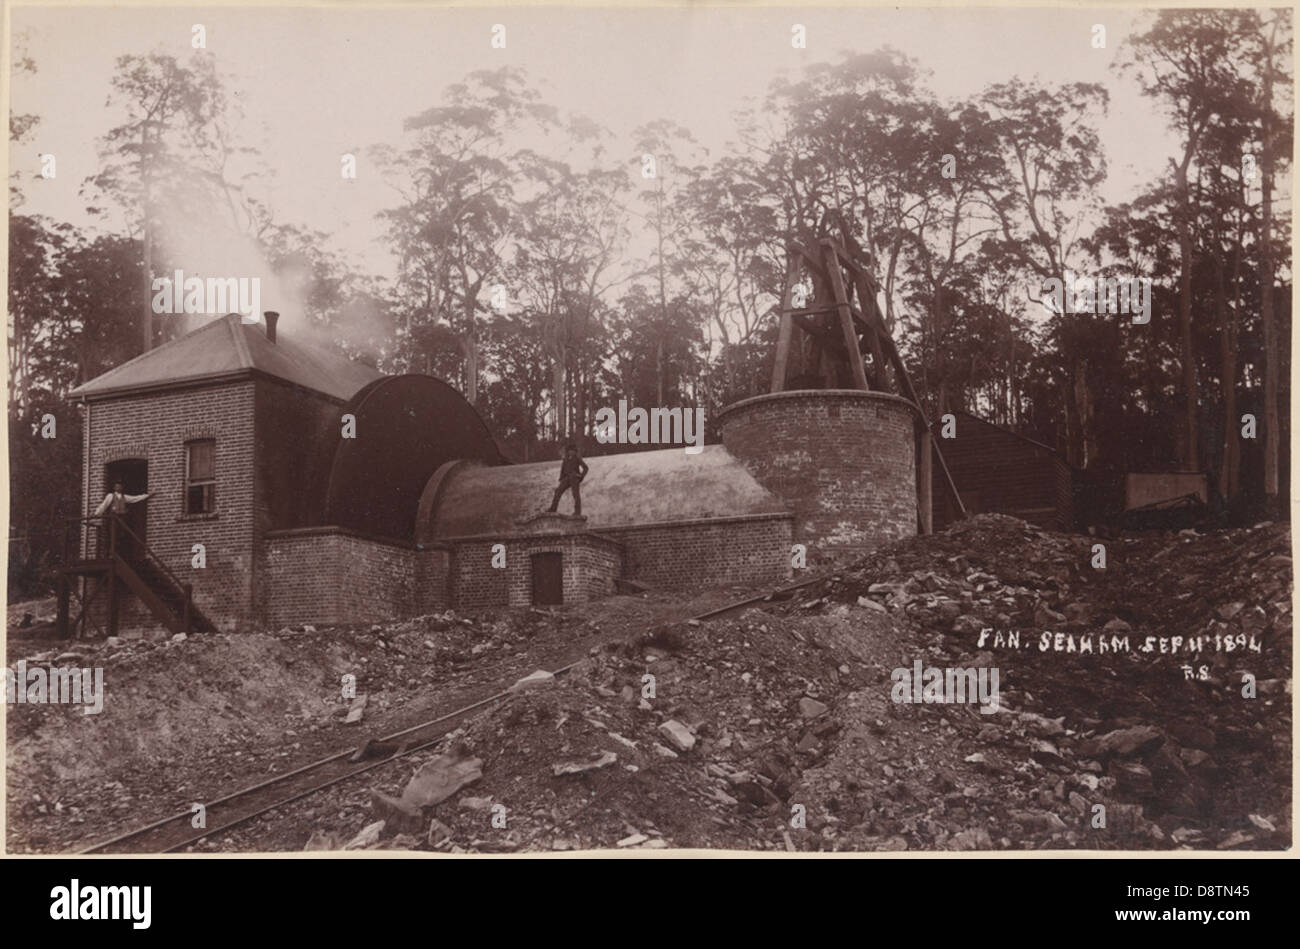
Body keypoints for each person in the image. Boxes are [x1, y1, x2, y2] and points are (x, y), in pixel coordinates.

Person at [93, 481, 151, 557]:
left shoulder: (124, 497)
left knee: (121, 535)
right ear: (114, 488)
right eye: (117, 486)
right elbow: (104, 505)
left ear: (122, 488)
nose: (118, 488)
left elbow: (135, 498)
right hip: (113, 519)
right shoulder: (110, 496)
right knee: (113, 534)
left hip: (121, 519)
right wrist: (97, 513)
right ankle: (110, 553)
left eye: (120, 486)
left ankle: (119, 553)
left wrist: (147, 496)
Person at [547, 443, 588, 516]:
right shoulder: (566, 459)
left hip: (574, 479)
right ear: (568, 451)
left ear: (575, 451)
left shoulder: (577, 458)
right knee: (558, 491)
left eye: (573, 451)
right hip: (566, 478)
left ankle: (577, 512)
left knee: (575, 495)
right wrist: (561, 478)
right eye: (570, 451)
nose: (571, 452)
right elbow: (563, 469)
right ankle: (553, 508)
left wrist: (580, 476)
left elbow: (586, 468)